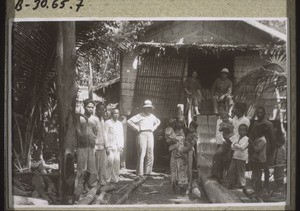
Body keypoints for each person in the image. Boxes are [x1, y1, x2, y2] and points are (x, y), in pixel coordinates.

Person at [127, 100, 161, 177]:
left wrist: (154, 127)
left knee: (150, 153)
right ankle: (140, 173)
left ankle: (148, 172)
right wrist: (136, 128)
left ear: (151, 108)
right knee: (142, 153)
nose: (148, 109)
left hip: (150, 133)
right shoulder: (139, 115)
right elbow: (129, 121)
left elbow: (158, 122)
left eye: (149, 108)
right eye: (146, 108)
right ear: (144, 108)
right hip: (141, 134)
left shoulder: (152, 116)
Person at [74, 99, 100, 201]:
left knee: (91, 168)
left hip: (91, 147)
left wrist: (94, 142)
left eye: (92, 107)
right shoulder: (79, 118)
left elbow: (96, 132)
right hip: (81, 146)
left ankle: (86, 186)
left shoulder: (95, 119)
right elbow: (76, 131)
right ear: (84, 107)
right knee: (81, 169)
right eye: (88, 107)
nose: (90, 109)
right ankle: (78, 189)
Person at [249, 107, 277, 190]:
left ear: (264, 114)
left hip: (266, 149)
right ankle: (257, 185)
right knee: (256, 168)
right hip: (256, 147)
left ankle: (266, 185)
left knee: (266, 168)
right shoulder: (255, 124)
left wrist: (271, 151)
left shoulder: (268, 124)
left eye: (260, 113)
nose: (259, 114)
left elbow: (273, 139)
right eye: (257, 113)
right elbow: (252, 136)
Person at [227, 124, 249, 194]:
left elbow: (242, 147)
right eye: (240, 130)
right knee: (231, 170)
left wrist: (236, 145)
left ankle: (243, 186)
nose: (241, 132)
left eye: (243, 130)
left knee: (241, 172)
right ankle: (231, 183)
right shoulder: (237, 137)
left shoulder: (247, 139)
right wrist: (236, 145)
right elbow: (232, 147)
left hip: (242, 158)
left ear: (246, 131)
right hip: (235, 156)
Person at [105, 108, 124, 183]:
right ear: (112, 114)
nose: (116, 115)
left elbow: (121, 135)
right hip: (110, 146)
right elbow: (105, 135)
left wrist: (121, 146)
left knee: (117, 162)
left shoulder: (120, 124)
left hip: (117, 147)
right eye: (115, 113)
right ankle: (107, 178)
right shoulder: (107, 123)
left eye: (117, 113)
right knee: (109, 162)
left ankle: (115, 178)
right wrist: (107, 146)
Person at [248, 126, 267, 196]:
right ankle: (256, 191)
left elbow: (256, 149)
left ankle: (258, 192)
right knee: (255, 175)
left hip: (259, 160)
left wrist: (252, 143)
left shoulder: (262, 140)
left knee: (258, 176)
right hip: (255, 159)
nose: (255, 132)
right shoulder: (258, 138)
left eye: (256, 131)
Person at [95, 103, 109, 186]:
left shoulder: (102, 120)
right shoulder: (94, 119)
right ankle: (94, 183)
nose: (102, 111)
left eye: (104, 110)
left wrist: (106, 146)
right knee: (95, 166)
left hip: (103, 146)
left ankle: (102, 182)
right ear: (96, 110)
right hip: (95, 146)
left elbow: (104, 134)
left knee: (103, 165)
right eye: (100, 109)